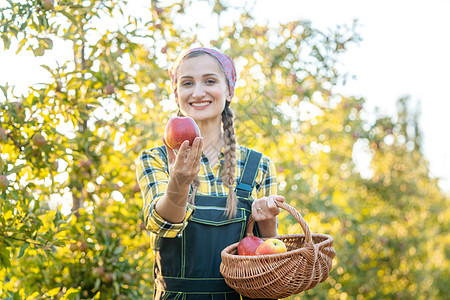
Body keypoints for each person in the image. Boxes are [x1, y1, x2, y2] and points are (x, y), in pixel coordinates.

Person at [135, 47, 285, 300]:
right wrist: (178, 185)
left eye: (210, 81)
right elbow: (161, 225)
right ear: (177, 94)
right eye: (187, 83)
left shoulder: (258, 165)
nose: (198, 92)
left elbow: (271, 255)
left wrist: (268, 220)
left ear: (229, 91)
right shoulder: (156, 158)